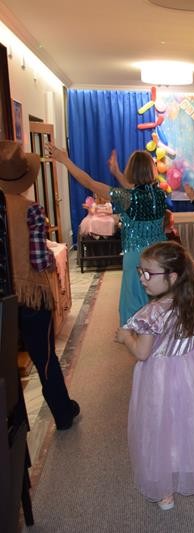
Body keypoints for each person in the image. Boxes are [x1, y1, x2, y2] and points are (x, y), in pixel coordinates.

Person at [115, 241, 194, 511]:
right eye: (140, 272)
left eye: (148, 274)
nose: (142, 279)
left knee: (160, 426)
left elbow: (142, 352)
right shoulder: (193, 301)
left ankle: (164, 491)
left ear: (173, 276)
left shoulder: (151, 313)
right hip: (191, 371)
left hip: (159, 378)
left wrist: (125, 338)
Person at [0, 141, 80, 430]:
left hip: (3, 300)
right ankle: (63, 413)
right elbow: (38, 260)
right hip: (31, 296)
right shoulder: (31, 209)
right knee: (44, 357)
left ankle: (13, 424)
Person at [48, 143, 166, 324]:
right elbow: (135, 188)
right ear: (151, 170)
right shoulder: (159, 195)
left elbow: (89, 182)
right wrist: (117, 172)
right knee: (158, 299)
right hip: (161, 254)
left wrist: (65, 161)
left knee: (134, 303)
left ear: (131, 171)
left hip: (136, 257)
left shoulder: (127, 198)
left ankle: (136, 335)